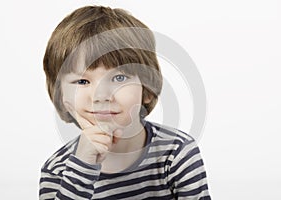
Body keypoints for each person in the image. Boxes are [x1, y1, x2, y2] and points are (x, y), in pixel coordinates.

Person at [40, 5, 211, 199]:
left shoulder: (176, 153)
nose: (100, 96)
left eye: (119, 78)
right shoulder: (57, 170)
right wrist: (82, 169)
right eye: (82, 81)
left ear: (147, 89)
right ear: (62, 97)